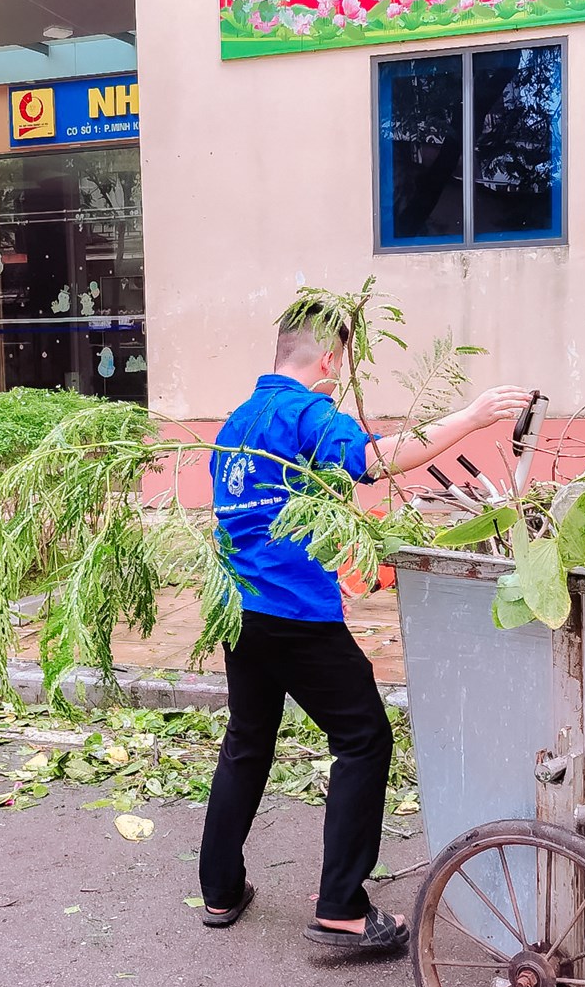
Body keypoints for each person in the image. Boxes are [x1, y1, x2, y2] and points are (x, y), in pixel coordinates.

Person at [198, 304, 531, 951]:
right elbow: (374, 460)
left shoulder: (239, 422)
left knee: (248, 740)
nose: (340, 373)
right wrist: (474, 415)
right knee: (363, 738)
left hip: (239, 610)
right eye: (341, 361)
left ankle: (219, 888)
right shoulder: (305, 411)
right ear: (328, 359)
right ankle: (342, 908)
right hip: (295, 612)